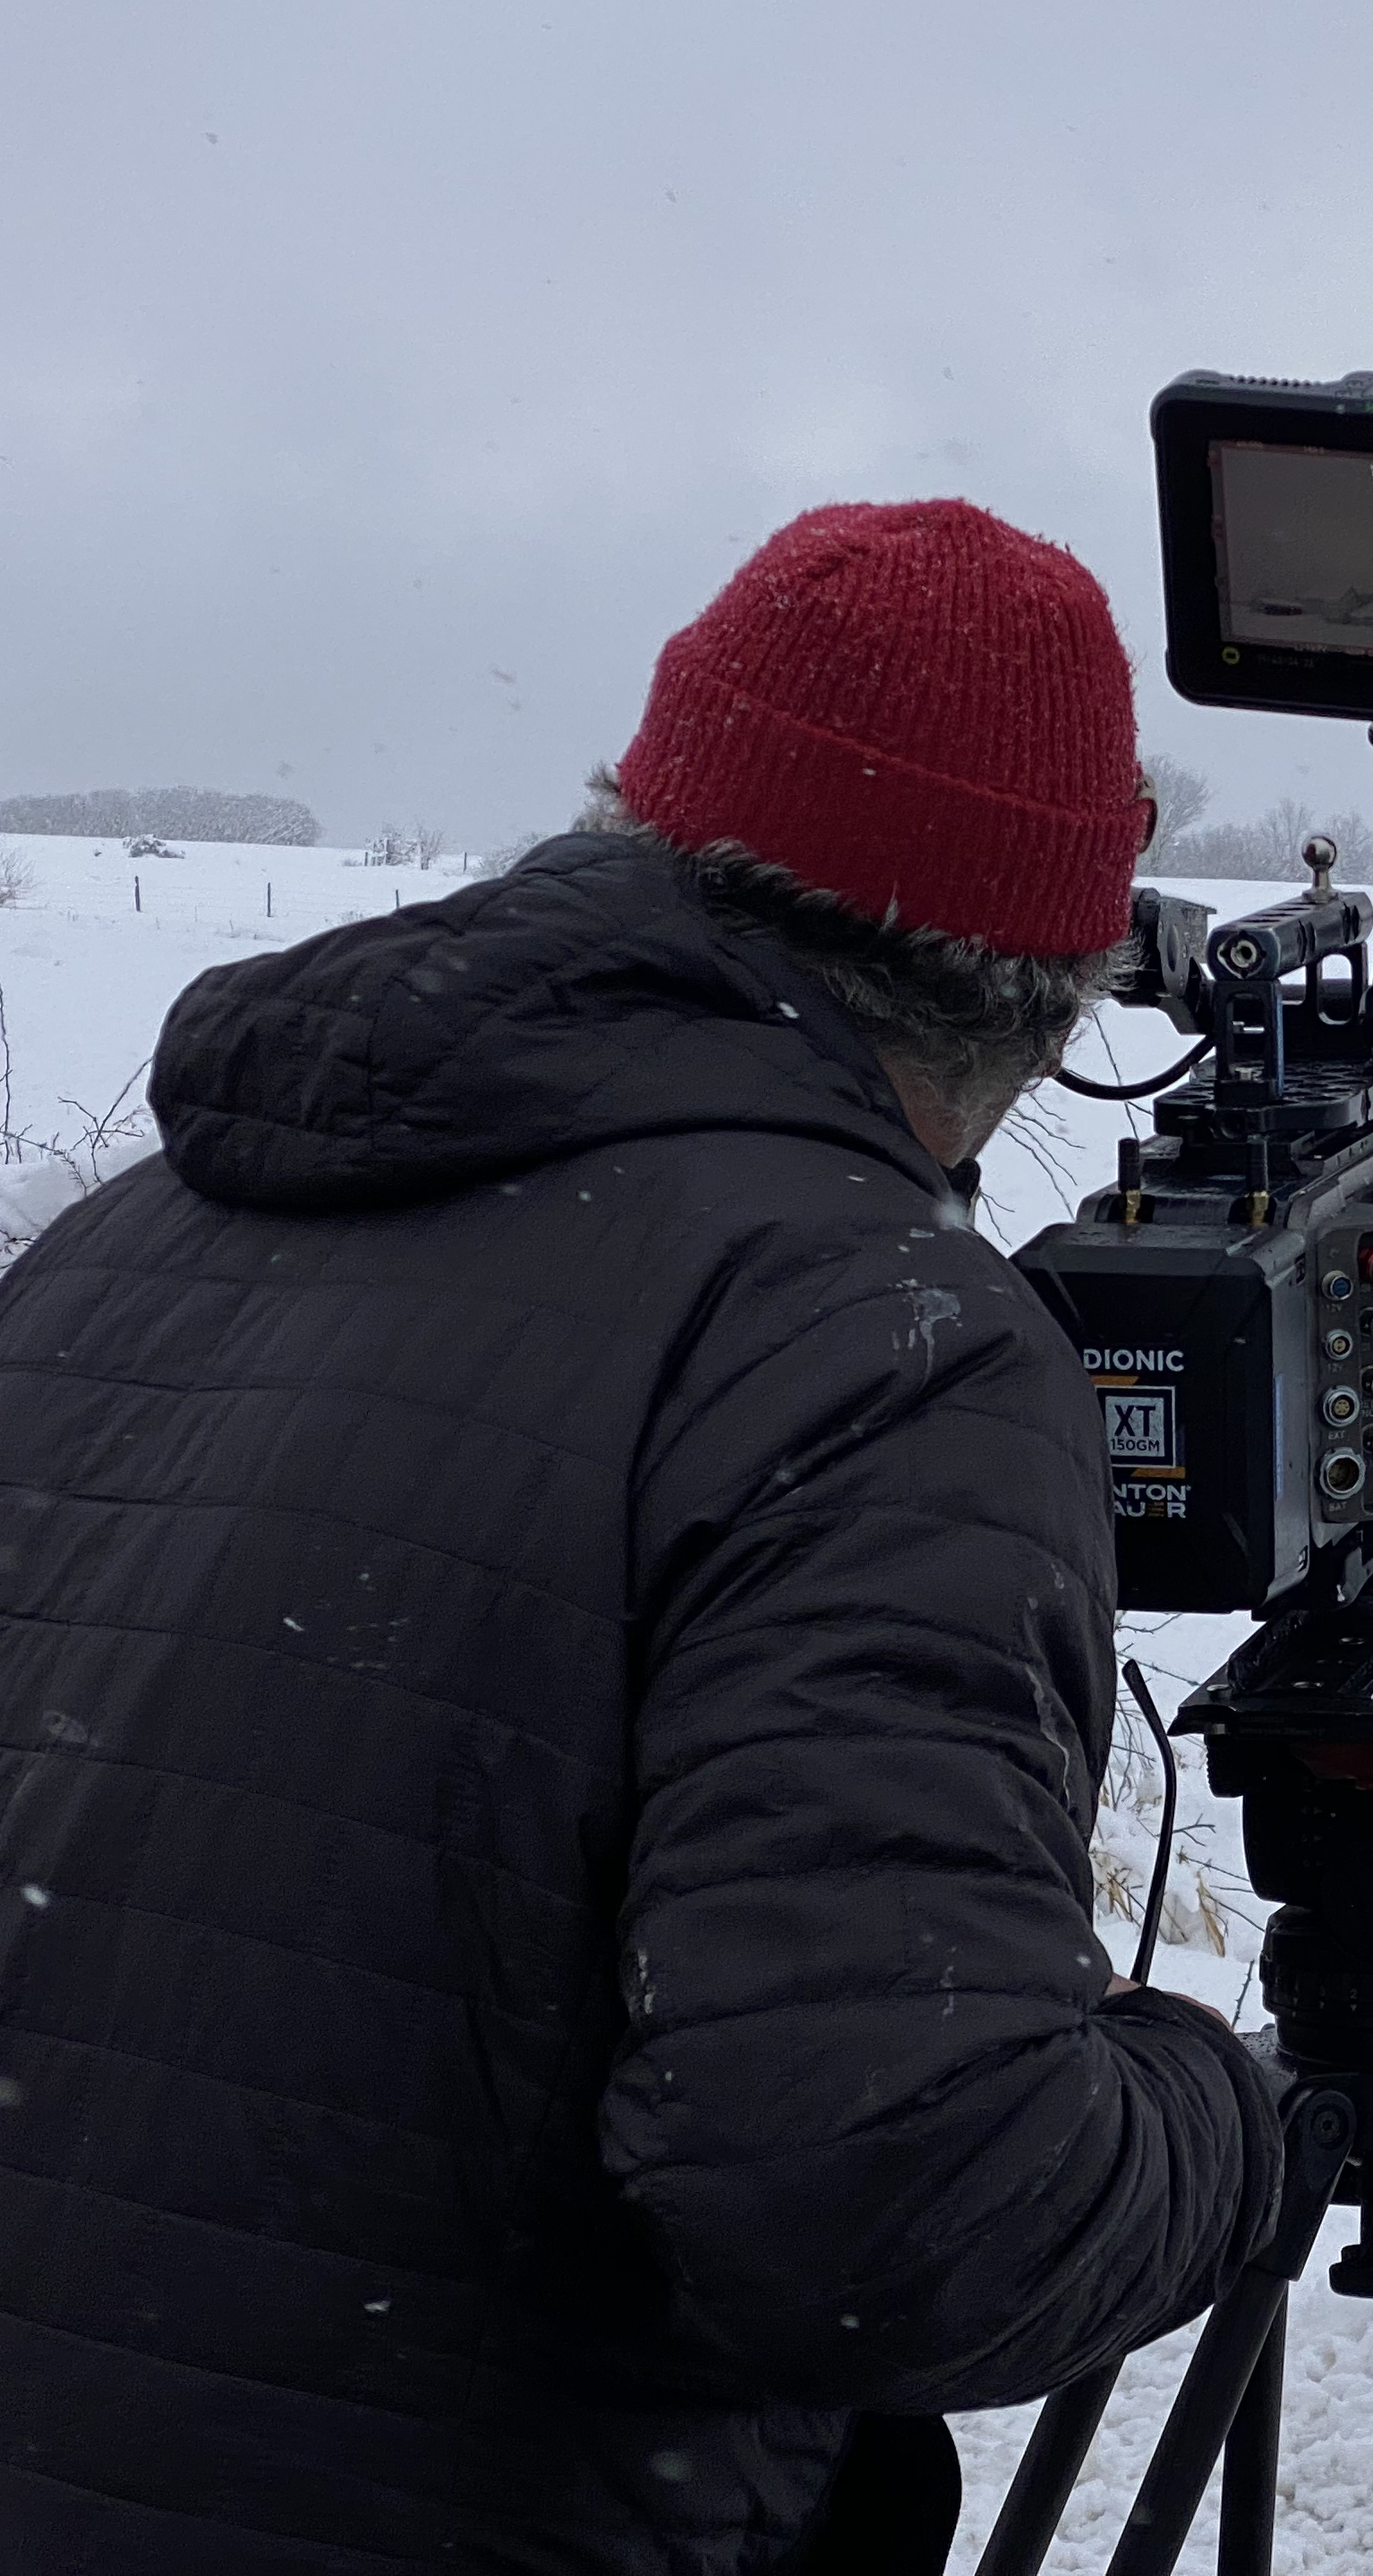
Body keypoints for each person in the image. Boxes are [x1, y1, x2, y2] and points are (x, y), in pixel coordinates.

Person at [0, 501, 1280, 2573]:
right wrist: (1230, 2120)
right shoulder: (877, 1344)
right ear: (1043, 1010)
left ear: (640, 822)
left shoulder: (132, 1237)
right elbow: (890, 2209)